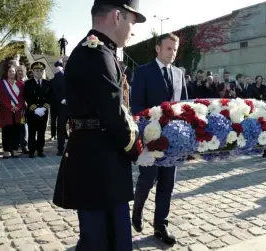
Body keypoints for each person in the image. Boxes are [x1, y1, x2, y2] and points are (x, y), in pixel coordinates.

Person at [52, 1, 146, 250]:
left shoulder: (98, 51)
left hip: (99, 162)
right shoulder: (96, 53)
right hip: (100, 165)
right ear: (117, 16)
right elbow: (114, 113)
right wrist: (138, 149)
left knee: (104, 237)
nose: (132, 30)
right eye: (131, 22)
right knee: (104, 240)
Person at [131, 32, 188, 245]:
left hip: (173, 141)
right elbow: (136, 105)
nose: (172, 53)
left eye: (175, 49)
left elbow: (184, 106)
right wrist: (148, 127)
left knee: (167, 184)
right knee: (147, 180)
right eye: (168, 48)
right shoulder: (143, 71)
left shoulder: (179, 74)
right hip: (151, 138)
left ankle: (160, 225)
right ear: (158, 48)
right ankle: (137, 212)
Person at [24, 62, 52, 158]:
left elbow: (50, 97)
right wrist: (35, 109)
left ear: (43, 71)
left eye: (40, 71)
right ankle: (31, 151)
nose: (38, 73)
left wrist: (44, 108)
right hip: (32, 112)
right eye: (36, 71)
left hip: (43, 112)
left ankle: (40, 150)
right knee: (32, 132)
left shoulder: (48, 83)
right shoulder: (27, 83)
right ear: (33, 71)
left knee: (41, 132)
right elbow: (27, 97)